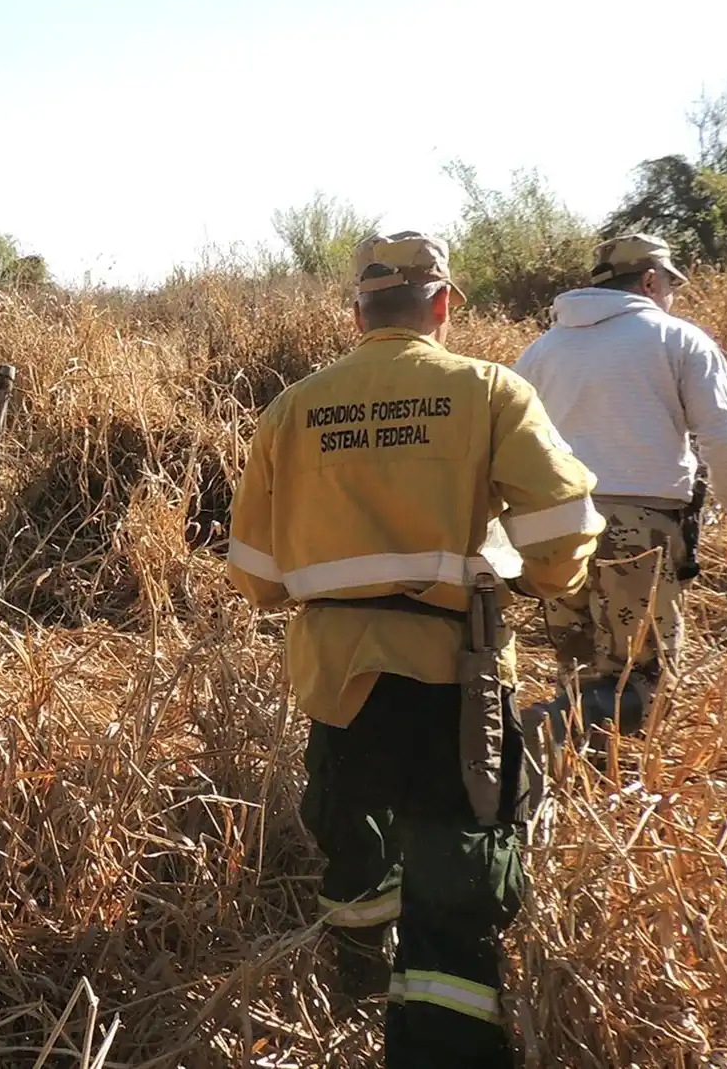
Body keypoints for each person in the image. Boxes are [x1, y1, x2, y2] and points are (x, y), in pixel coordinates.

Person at [227, 231, 606, 1068]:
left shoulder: (294, 407)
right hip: (456, 680)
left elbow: (255, 573)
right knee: (458, 875)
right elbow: (564, 528)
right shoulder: (488, 392)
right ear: (443, 305)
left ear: (357, 309)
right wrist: (542, 578)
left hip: (335, 678)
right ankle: (440, 1044)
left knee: (354, 840)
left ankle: (355, 984)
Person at [514, 233, 727, 739]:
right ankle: (536, 732)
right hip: (639, 530)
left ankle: (563, 773)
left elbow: (516, 445)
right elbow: (724, 439)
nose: (671, 295)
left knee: (580, 667)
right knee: (644, 679)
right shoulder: (678, 339)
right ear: (651, 280)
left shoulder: (541, 352)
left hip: (556, 524)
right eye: (670, 284)